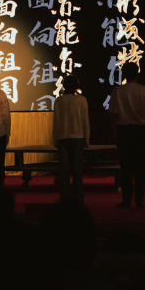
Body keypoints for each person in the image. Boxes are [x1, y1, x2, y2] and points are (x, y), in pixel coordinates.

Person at [108, 63, 145, 209]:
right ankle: (140, 201)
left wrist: (115, 134)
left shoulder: (117, 91)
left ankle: (126, 200)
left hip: (124, 131)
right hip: (141, 131)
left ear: (124, 74)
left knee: (126, 168)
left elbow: (114, 115)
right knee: (140, 168)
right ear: (137, 73)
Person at [52, 74, 89, 204]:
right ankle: (78, 200)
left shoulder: (59, 101)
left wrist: (55, 139)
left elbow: (56, 121)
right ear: (77, 86)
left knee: (64, 170)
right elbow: (85, 121)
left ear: (64, 86)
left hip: (62, 137)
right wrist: (87, 138)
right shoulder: (82, 100)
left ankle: (64, 199)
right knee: (77, 170)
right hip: (78, 136)